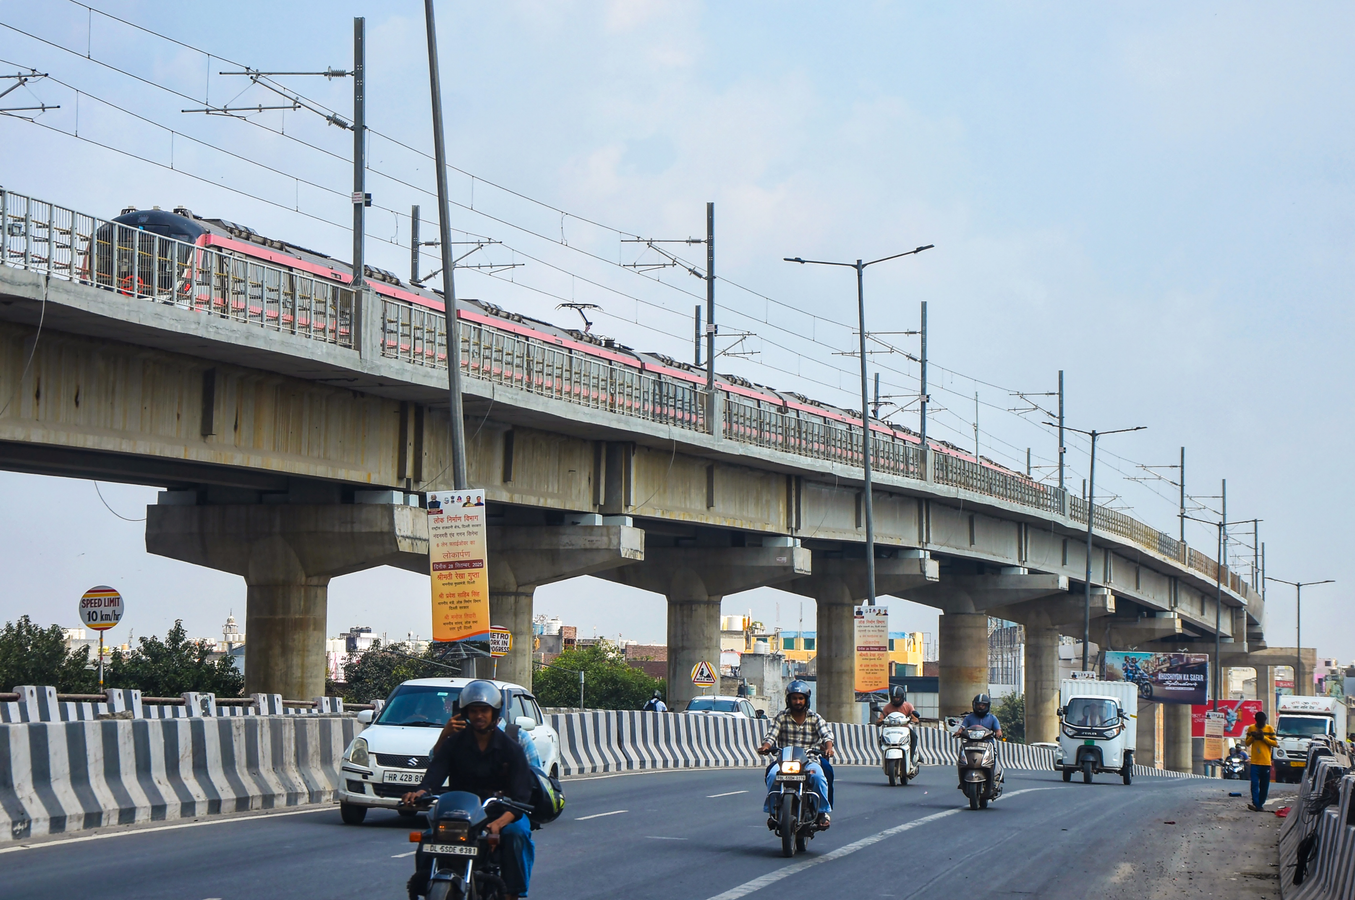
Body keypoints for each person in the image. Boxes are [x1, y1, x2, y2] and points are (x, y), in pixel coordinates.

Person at [402, 681, 535, 900]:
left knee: (516, 836)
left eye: (484, 710)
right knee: (428, 839)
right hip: (463, 813)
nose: (479, 715)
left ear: (494, 713)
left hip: (501, 812)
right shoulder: (454, 743)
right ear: (465, 713)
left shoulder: (511, 748)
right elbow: (435, 774)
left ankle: (513, 894)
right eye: (474, 711)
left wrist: (499, 823)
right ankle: (424, 888)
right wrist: (421, 792)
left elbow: (522, 797)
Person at [757, 680, 835, 829]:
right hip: (784, 760)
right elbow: (771, 736)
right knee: (772, 775)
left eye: (801, 698)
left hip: (810, 760)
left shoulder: (815, 718)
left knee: (819, 776)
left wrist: (829, 748)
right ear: (789, 700)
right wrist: (766, 747)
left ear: (806, 700)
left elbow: (827, 735)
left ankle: (822, 812)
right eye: (794, 698)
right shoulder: (781, 717)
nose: (798, 702)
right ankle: (773, 813)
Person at [953, 694, 1003, 790]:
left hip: (987, 744)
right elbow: (962, 727)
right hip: (970, 744)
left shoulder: (992, 718)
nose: (980, 707)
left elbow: (998, 730)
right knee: (961, 760)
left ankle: (992, 780)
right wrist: (959, 732)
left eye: (983, 705)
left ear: (987, 706)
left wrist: (998, 733)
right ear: (974, 705)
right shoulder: (969, 718)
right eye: (978, 705)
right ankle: (962, 780)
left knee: (992, 759)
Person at [1243, 710, 1278, 811]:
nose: (1261, 725)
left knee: (1264, 785)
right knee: (1254, 783)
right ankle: (1256, 803)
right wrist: (1253, 737)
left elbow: (1275, 743)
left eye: (1262, 722)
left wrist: (1264, 738)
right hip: (1255, 762)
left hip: (1266, 762)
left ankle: (1260, 804)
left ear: (1265, 721)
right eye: (1259, 723)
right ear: (1256, 721)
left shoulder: (1269, 728)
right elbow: (1247, 743)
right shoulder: (1251, 728)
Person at [875, 685, 920, 759]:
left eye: (897, 698)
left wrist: (914, 720)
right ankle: (884, 756)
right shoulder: (887, 707)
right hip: (890, 730)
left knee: (914, 737)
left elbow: (914, 717)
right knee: (881, 739)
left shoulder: (908, 706)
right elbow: (881, 718)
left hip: (905, 729)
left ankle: (911, 758)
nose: (896, 700)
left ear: (902, 697)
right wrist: (880, 721)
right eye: (894, 698)